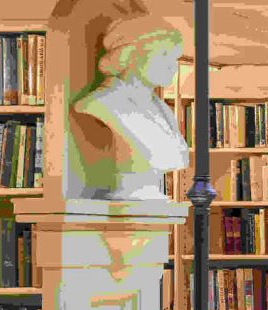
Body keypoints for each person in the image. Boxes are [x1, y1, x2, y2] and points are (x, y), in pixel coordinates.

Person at [72, 15, 189, 202]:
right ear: (131, 54)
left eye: (175, 58)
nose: (172, 67)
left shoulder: (163, 109)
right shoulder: (102, 102)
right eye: (164, 55)